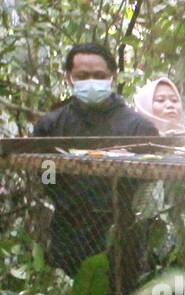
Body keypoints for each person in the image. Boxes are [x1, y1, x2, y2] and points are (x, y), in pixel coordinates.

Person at [32, 42, 158, 276]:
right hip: (69, 232)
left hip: (122, 234)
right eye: (82, 75)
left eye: (99, 75)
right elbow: (45, 176)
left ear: (113, 76)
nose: (91, 81)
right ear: (69, 78)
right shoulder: (50, 125)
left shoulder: (140, 127)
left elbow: (149, 187)